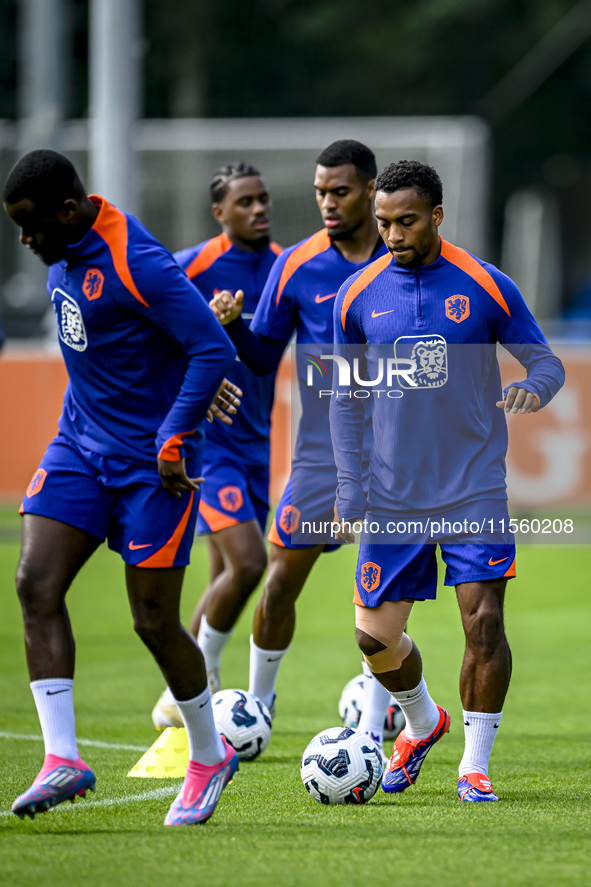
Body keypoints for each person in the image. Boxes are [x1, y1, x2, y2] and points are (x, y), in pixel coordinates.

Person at [3, 149, 242, 826]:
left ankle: (206, 754)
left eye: (30, 224)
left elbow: (211, 349)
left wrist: (173, 435)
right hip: (79, 444)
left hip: (152, 465)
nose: (25, 238)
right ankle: (62, 758)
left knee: (153, 621)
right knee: (34, 582)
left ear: (68, 212)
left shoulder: (135, 259)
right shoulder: (64, 245)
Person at [331, 159, 565, 801]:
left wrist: (534, 386)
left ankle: (474, 764)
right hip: (391, 492)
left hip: (472, 485)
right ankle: (421, 720)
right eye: (382, 224)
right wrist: (350, 486)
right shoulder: (356, 295)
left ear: (436, 215)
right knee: (372, 638)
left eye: (406, 222)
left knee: (484, 621)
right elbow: (343, 400)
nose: (393, 235)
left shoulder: (486, 286)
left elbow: (545, 359)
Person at [208, 140, 394, 750]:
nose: (327, 203)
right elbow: (262, 359)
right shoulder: (298, 265)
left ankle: (370, 729)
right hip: (319, 459)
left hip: (396, 461)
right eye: (320, 192)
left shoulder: (408, 260)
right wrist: (234, 325)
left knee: (381, 595)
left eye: (339, 191)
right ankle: (258, 707)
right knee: (281, 579)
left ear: (370, 190)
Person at [152, 163, 282, 728]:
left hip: (258, 445)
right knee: (251, 564)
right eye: (246, 201)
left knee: (222, 578)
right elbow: (148, 340)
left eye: (263, 199)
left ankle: (192, 690)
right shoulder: (189, 268)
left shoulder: (284, 267)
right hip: (209, 447)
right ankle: (185, 688)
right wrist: (205, 327)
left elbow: (269, 355)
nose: (259, 209)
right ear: (219, 213)